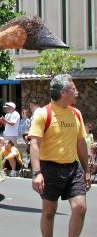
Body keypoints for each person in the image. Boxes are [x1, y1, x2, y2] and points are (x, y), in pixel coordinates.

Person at [29, 74, 91, 237]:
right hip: (49, 168)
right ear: (63, 92)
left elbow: (81, 143)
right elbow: (34, 144)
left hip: (73, 167)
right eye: (73, 88)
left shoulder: (76, 114)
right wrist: (37, 173)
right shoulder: (43, 114)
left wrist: (87, 170)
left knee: (80, 208)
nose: (76, 92)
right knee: (49, 211)